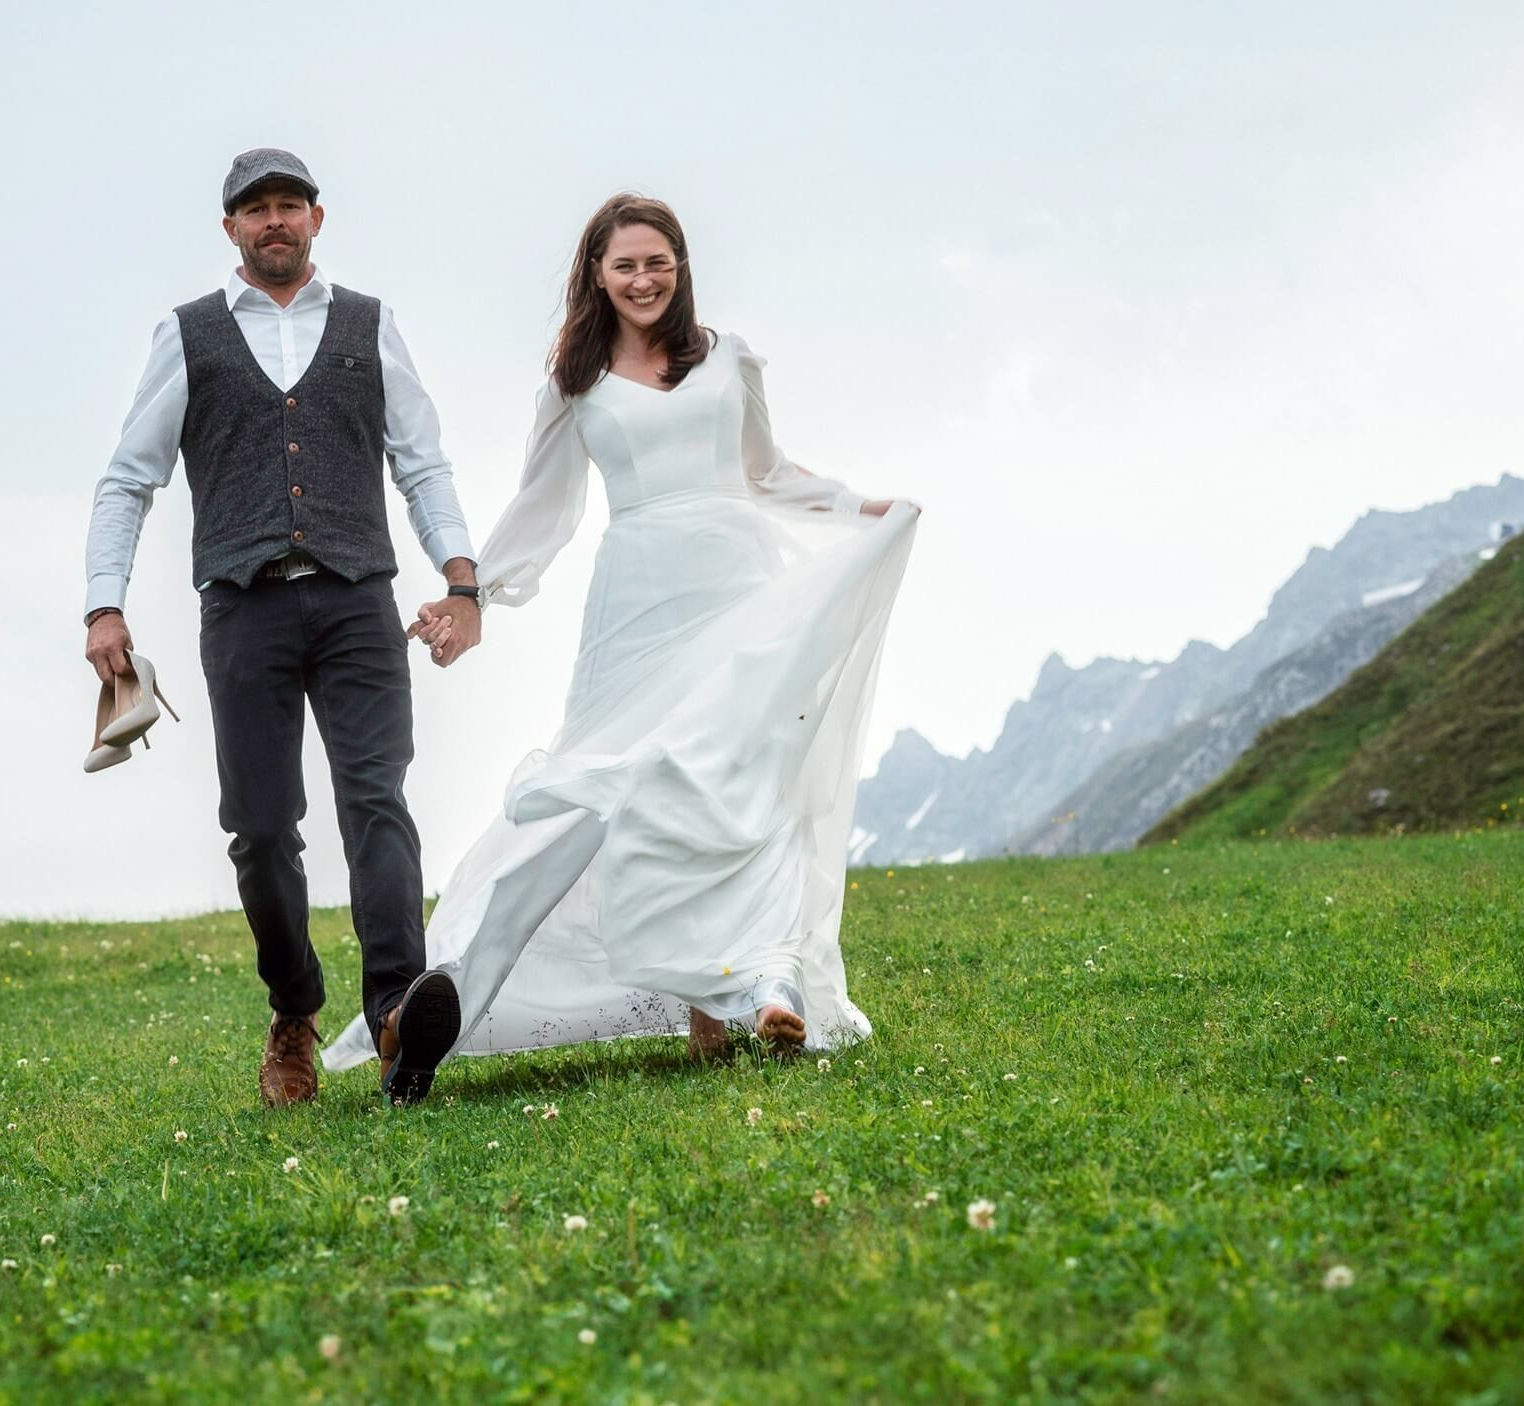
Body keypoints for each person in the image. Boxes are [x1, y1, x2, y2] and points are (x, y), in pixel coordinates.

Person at [321, 193, 918, 1074]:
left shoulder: (730, 360)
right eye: (625, 264)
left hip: (739, 582)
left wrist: (860, 508)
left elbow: (768, 471)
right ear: (596, 276)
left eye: (658, 261)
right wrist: (474, 592)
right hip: (638, 602)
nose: (644, 279)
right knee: (609, 795)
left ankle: (760, 982)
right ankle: (447, 995)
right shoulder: (576, 385)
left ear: (680, 267)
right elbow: (542, 508)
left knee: (741, 778)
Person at [81, 149, 481, 1108]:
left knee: (376, 799)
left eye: (289, 206)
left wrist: (463, 579)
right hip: (243, 606)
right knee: (260, 831)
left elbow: (422, 465)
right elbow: (128, 479)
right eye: (255, 209)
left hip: (358, 600)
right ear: (231, 230)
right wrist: (105, 602)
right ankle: (294, 1012)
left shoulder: (370, 326)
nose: (274, 221)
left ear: (317, 217)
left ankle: (394, 1012)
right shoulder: (186, 336)